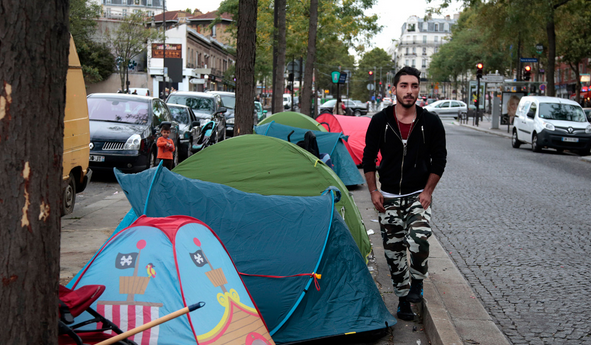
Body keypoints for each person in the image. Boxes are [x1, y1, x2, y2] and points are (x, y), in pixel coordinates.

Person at [362, 66, 447, 321]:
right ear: (395, 88)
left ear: (418, 89)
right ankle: (403, 301)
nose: (409, 91)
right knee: (394, 250)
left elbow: (439, 160)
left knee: (419, 238)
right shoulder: (381, 120)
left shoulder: (430, 121)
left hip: (417, 194)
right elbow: (368, 158)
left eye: (414, 86)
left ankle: (417, 283)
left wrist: (429, 191)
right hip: (387, 196)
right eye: (404, 86)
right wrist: (374, 191)